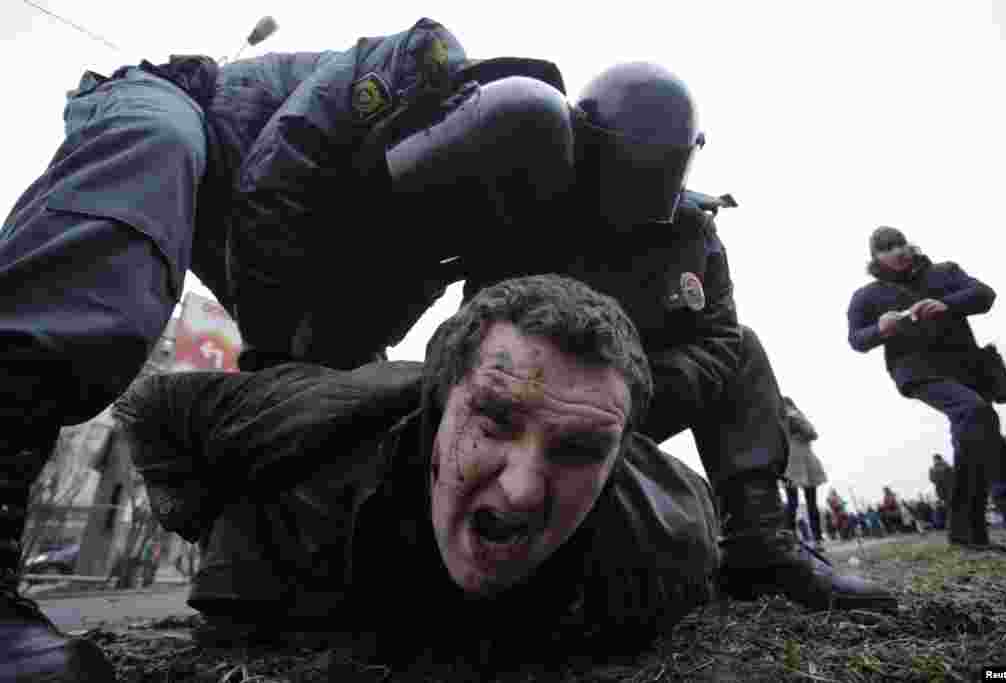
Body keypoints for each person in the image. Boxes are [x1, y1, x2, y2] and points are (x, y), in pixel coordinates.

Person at [0, 16, 578, 677]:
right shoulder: (411, 65)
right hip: (184, 111)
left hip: (283, 250)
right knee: (147, 168)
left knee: (347, 414)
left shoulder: (473, 233)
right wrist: (276, 367)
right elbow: (269, 191)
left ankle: (252, 582)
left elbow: (446, 339)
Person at [455, 62, 894, 612]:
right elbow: (474, 329)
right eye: (630, 168)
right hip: (535, 412)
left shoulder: (693, 233)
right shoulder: (534, 206)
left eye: (660, 169)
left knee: (748, 349)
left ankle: (760, 545)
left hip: (644, 398)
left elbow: (720, 336)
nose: (642, 187)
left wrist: (635, 390)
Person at [112, 274, 721, 663]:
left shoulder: (664, 547)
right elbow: (150, 406)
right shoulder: (311, 434)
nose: (521, 488)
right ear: (440, 403)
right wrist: (207, 522)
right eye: (495, 419)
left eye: (580, 449)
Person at [847, 226, 1006, 552]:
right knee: (973, 412)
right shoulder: (868, 296)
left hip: (965, 368)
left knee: (980, 429)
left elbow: (985, 294)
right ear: (876, 256)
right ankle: (967, 529)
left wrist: (946, 304)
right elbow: (857, 339)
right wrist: (880, 329)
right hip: (917, 372)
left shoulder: (944, 272)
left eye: (900, 243)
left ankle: (969, 531)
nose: (897, 251)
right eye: (887, 247)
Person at [780, 396, 828, 551]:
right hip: (800, 462)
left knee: (794, 502)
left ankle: (794, 540)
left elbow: (812, 434)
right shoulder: (794, 416)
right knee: (806, 503)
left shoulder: (787, 416)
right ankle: (815, 540)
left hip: (794, 462)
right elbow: (813, 434)